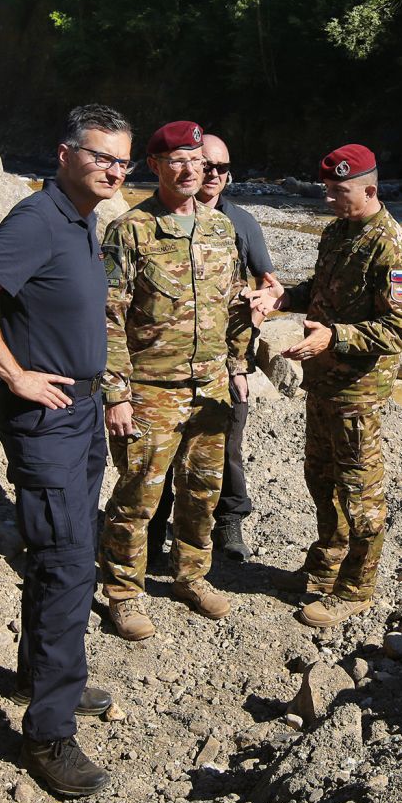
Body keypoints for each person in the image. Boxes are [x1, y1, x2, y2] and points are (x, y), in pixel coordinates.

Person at [0, 104, 129, 798]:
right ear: (64, 154)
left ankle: (38, 675)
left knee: (61, 557)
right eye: (101, 156)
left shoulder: (82, 223)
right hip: (45, 419)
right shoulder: (38, 220)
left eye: (122, 161)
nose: (113, 170)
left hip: (78, 413)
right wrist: (14, 372)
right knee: (69, 563)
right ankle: (48, 734)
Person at [99, 120, 255, 639]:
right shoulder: (131, 230)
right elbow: (109, 317)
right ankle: (122, 592)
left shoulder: (221, 228)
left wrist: (237, 367)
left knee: (202, 491)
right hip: (149, 390)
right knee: (139, 495)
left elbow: (236, 305)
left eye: (198, 160)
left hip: (210, 387)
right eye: (178, 161)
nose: (191, 170)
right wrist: (116, 394)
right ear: (156, 167)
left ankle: (191, 576)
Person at [274, 143, 402, 629]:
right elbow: (321, 290)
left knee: (360, 493)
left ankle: (357, 589)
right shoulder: (338, 232)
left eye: (339, 192)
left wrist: (334, 336)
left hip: (357, 390)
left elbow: (399, 331)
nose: (329, 200)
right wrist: (282, 298)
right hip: (323, 384)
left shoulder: (392, 248)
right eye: (328, 191)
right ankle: (326, 565)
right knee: (320, 478)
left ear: (370, 190)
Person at [148, 133, 285, 562]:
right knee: (160, 458)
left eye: (222, 168)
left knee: (224, 450)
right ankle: (152, 535)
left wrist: (242, 362)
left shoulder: (238, 224)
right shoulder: (148, 222)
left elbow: (268, 285)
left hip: (226, 363)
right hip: (164, 368)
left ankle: (227, 525)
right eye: (205, 165)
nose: (212, 175)